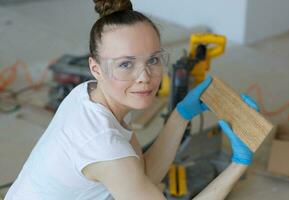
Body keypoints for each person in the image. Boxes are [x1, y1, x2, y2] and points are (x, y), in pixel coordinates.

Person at [4, 0, 260, 199]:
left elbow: (142, 177)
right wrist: (238, 165)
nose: (144, 77)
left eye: (152, 60)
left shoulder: (91, 94)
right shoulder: (105, 146)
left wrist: (180, 115)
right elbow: (123, 167)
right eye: (126, 64)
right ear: (95, 68)